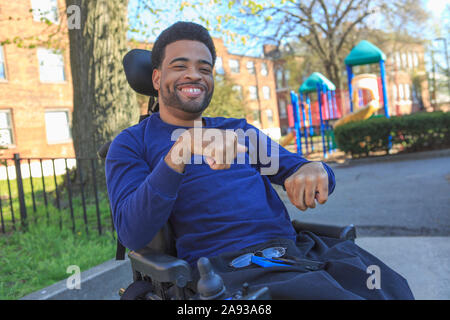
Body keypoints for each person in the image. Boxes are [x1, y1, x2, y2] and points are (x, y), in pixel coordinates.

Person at [105, 21, 414, 299]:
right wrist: (178, 155)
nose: (194, 75)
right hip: (227, 272)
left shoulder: (238, 131)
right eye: (180, 66)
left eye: (205, 68)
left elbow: (296, 167)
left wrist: (314, 169)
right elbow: (133, 233)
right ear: (157, 78)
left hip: (293, 253)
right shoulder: (131, 144)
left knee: (391, 287)